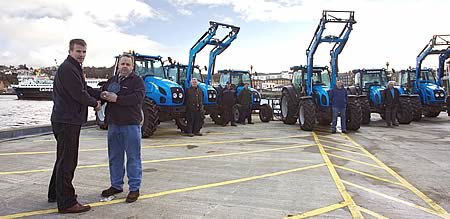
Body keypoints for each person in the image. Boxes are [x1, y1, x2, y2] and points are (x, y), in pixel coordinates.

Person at [48, 39, 101, 213]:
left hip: (65, 119)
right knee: (68, 161)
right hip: (67, 120)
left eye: (84, 52)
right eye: (78, 51)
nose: (82, 55)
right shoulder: (68, 68)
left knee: (62, 158)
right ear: (70, 51)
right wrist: (96, 103)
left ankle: (55, 194)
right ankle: (67, 202)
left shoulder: (73, 68)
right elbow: (79, 94)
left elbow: (84, 88)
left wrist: (102, 93)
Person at [99, 54, 145, 203]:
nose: (124, 66)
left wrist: (117, 99)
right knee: (114, 157)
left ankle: (134, 188)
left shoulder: (137, 81)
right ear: (118, 65)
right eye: (122, 63)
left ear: (132, 67)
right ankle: (116, 185)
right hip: (114, 124)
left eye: (128, 64)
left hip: (130, 125)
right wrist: (101, 96)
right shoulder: (112, 81)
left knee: (133, 157)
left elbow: (137, 98)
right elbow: (102, 93)